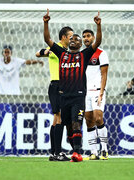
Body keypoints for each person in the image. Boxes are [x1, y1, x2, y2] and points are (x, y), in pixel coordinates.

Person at [43, 9, 102, 162]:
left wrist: (98, 26)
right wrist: (46, 23)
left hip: (78, 95)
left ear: (81, 44)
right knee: (68, 126)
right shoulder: (61, 54)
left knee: (76, 123)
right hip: (64, 96)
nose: (74, 40)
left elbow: (98, 42)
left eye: (77, 39)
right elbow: (47, 39)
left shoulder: (84, 55)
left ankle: (77, 153)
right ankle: (67, 150)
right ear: (68, 42)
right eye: (72, 39)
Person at [36, 26, 74, 161]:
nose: (72, 39)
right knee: (60, 118)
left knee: (56, 119)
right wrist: (47, 51)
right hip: (57, 85)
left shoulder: (67, 51)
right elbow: (38, 53)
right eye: (70, 36)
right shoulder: (56, 48)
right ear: (63, 37)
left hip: (63, 86)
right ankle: (58, 152)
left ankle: (53, 153)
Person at [82, 29, 109, 160]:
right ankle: (94, 152)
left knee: (98, 118)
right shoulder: (81, 55)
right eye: (84, 37)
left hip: (97, 90)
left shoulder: (101, 53)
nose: (86, 38)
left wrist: (102, 92)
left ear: (93, 38)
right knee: (88, 121)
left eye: (88, 36)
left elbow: (104, 74)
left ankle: (104, 150)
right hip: (85, 92)